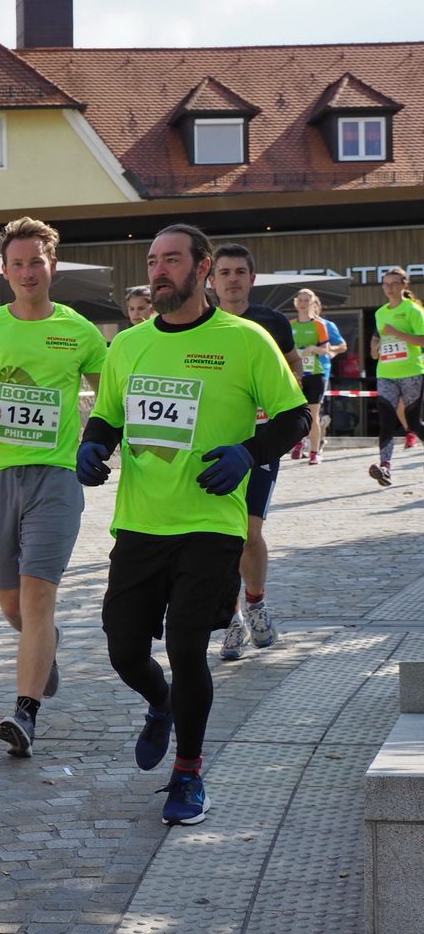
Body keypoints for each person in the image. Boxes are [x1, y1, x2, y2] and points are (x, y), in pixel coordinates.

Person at [79, 224, 309, 826]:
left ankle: (189, 774)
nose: (159, 271)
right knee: (125, 650)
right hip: (140, 524)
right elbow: (107, 417)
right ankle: (160, 704)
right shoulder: (127, 346)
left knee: (186, 644)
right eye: (153, 261)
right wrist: (93, 446)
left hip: (212, 523)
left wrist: (248, 453)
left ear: (202, 268)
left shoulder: (246, 339)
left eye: (172, 260)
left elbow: (294, 418)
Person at [0, 217, 106, 758]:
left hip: (55, 479)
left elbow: (109, 401)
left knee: (38, 597)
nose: (28, 271)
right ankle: (44, 646)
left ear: (51, 265)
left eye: (37, 261)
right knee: (14, 608)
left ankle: (24, 714)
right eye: (18, 263)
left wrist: (100, 446)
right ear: (6, 270)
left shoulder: (80, 332)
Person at [206, 245, 305, 662]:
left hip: (261, 443)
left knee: (249, 531)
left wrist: (279, 399)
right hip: (215, 443)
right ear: (211, 280)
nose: (232, 279)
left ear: (252, 278)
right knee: (218, 536)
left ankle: (257, 603)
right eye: (224, 272)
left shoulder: (271, 321)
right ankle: (230, 620)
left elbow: (294, 368)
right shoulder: (202, 323)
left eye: (240, 272)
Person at [368, 267, 424, 486]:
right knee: (386, 421)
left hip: (411, 373)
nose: (389, 288)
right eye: (385, 284)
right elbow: (377, 337)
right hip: (386, 374)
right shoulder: (380, 312)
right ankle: (385, 466)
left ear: (404, 285)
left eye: (394, 284)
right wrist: (374, 349)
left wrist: (398, 333)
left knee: (413, 423)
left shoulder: (413, 310)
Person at [290, 289, 344, 465]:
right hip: (296, 375)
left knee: (313, 414)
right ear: (296, 302)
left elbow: (327, 349)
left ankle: (314, 451)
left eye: (307, 300)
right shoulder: (290, 325)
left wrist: (312, 348)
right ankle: (298, 443)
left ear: (314, 303)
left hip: (315, 374)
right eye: (301, 300)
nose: (304, 303)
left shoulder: (319, 325)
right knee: (296, 412)